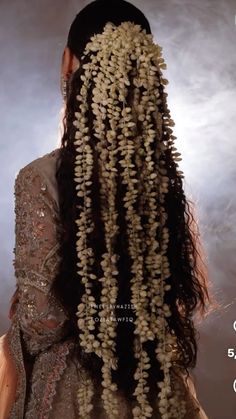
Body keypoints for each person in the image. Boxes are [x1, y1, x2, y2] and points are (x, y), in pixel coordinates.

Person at [0, 0, 217, 417]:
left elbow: (42, 321)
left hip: (71, 395)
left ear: (69, 65)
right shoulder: (159, 180)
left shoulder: (39, 177)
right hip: (153, 388)